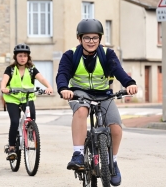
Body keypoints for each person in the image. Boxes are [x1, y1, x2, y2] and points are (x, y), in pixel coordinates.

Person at [56, 19, 138, 186]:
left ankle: (112, 162)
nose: (91, 41)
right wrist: (64, 88)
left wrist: (129, 83)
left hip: (104, 94)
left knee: (115, 127)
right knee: (81, 111)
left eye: (95, 38)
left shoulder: (107, 54)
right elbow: (62, 74)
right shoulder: (70, 55)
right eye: (87, 38)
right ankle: (78, 154)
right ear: (79, 39)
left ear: (100, 39)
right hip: (79, 93)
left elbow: (118, 70)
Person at [0, 43, 54, 160]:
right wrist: (4, 87)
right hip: (12, 99)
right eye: (20, 56)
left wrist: (49, 87)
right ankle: (12, 148)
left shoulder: (31, 69)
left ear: (28, 57)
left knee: (32, 117)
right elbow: (4, 80)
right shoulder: (10, 69)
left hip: (27, 98)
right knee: (14, 121)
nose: (23, 58)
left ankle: (30, 130)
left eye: (25, 55)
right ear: (15, 57)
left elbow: (42, 78)